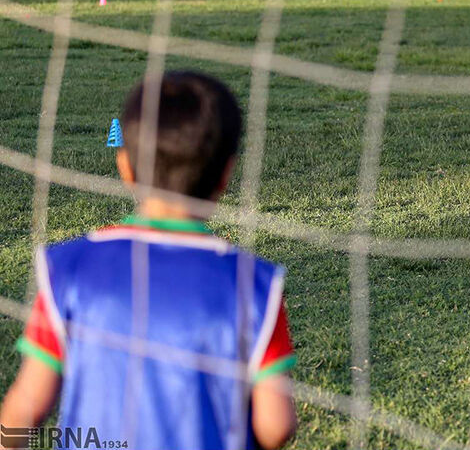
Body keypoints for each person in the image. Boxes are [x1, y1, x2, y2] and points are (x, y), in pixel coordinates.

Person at [0, 71, 297, 449]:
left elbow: (24, 409)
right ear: (226, 174)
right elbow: (276, 425)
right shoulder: (254, 283)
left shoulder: (69, 267)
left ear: (124, 167)